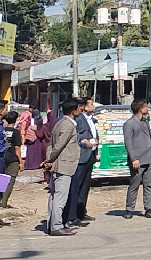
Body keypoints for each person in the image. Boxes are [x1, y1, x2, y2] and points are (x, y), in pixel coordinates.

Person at [43, 99, 81, 236]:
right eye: (78, 108)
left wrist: (49, 160)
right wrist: (49, 159)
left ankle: (52, 224)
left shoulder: (60, 123)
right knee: (60, 197)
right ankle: (56, 226)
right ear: (73, 110)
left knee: (54, 196)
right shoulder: (67, 125)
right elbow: (58, 145)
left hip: (58, 164)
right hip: (64, 165)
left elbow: (51, 144)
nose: (80, 110)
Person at [66, 97, 98, 228]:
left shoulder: (92, 119)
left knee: (85, 186)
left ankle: (81, 211)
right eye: (90, 104)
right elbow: (74, 135)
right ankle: (72, 216)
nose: (93, 106)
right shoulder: (77, 119)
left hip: (90, 155)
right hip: (81, 156)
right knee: (76, 187)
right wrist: (84, 141)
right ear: (83, 106)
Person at [123, 99, 151, 219]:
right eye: (146, 107)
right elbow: (129, 143)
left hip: (150, 158)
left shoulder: (145, 122)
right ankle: (129, 209)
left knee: (148, 185)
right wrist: (134, 158)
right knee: (134, 185)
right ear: (140, 109)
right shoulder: (129, 124)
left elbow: (149, 137)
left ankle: (148, 208)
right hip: (138, 159)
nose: (148, 109)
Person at [2, 111, 23, 208]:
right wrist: (21, 161)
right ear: (15, 120)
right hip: (13, 158)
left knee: (2, 179)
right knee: (10, 180)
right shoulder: (15, 132)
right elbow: (17, 148)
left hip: (3, 157)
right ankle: (4, 202)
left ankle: (1, 200)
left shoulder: (2, 130)